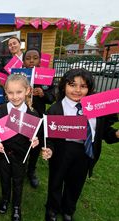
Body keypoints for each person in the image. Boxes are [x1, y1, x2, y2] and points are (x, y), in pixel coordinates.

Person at [42, 69, 119, 221]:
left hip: (85, 152)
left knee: (76, 183)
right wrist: (49, 149)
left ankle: (68, 210)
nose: (77, 90)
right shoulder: (55, 110)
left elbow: (102, 131)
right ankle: (52, 209)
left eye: (83, 86)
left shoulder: (97, 108)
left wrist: (116, 134)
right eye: (72, 85)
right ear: (64, 86)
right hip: (61, 151)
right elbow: (48, 136)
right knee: (56, 182)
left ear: (89, 88)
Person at [0, 74, 39, 221]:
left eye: (19, 92)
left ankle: (16, 205)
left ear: (27, 91)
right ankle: (5, 199)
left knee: (18, 181)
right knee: (4, 178)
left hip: (21, 156)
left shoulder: (32, 114)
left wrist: (35, 141)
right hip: (4, 155)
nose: (15, 96)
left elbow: (37, 135)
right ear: (5, 92)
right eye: (10, 93)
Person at [22, 48, 56, 188]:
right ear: (23, 61)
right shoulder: (19, 75)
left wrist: (43, 94)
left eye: (35, 58)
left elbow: (53, 97)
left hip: (39, 117)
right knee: (22, 144)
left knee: (35, 145)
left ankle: (31, 171)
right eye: (28, 58)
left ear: (40, 60)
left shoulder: (46, 76)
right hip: (21, 116)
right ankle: (20, 168)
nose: (31, 60)